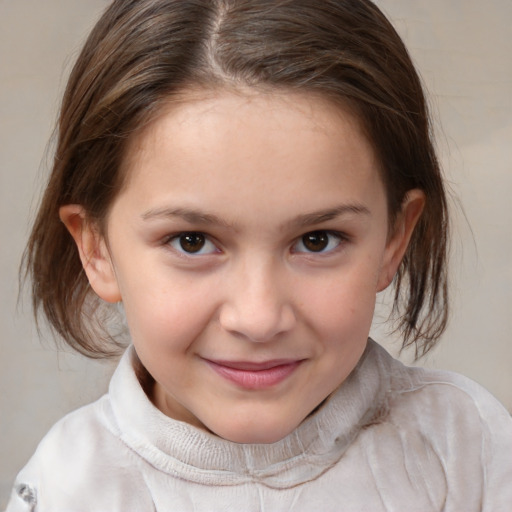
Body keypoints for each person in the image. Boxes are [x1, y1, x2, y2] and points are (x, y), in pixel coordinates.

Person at [6, 0, 512, 510]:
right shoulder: (68, 487)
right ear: (96, 248)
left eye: (317, 240)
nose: (258, 318)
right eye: (192, 241)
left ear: (393, 239)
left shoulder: (465, 450)